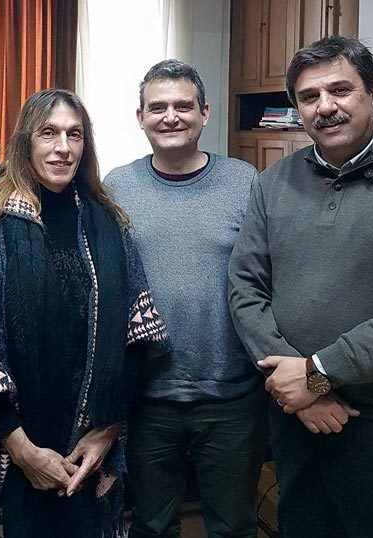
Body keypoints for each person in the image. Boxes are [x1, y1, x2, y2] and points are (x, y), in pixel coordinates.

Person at [0, 88, 169, 537]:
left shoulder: (109, 223)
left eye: (74, 134)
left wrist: (106, 430)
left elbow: (137, 334)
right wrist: (22, 449)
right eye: (48, 133)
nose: (62, 147)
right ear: (25, 142)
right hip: (8, 447)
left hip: (90, 443)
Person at [228, 36, 373, 538]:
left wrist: (316, 374)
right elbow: (245, 289)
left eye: (340, 90)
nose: (325, 107)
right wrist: (298, 389)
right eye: (309, 97)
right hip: (296, 420)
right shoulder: (272, 182)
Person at [104, 60, 266, 538]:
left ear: (204, 113)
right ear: (140, 117)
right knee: (151, 525)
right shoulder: (117, 186)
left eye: (183, 106)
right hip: (148, 397)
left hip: (232, 395)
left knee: (234, 525)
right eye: (158, 107)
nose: (171, 116)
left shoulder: (244, 181)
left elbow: (267, 276)